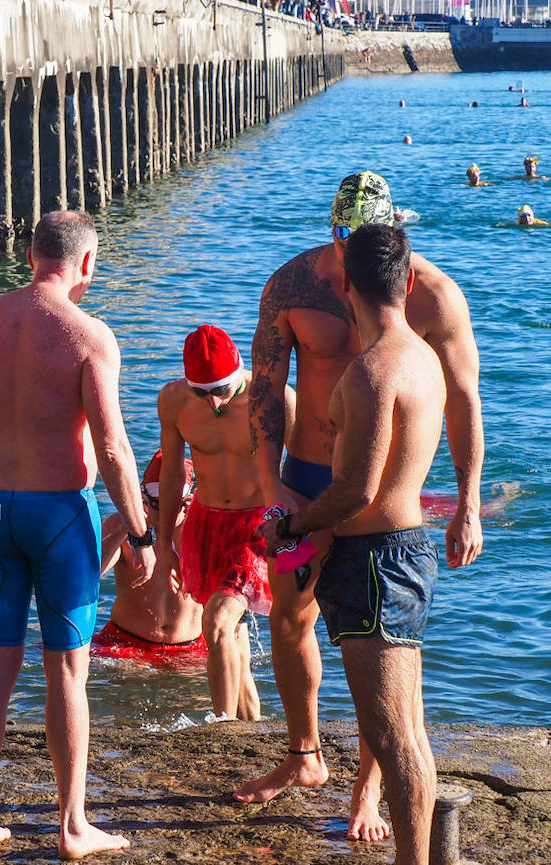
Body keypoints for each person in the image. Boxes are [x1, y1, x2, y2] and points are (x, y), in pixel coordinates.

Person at [241, 171, 484, 845]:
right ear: (331, 228)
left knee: (383, 658)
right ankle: (304, 754)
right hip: (308, 474)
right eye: (342, 234)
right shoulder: (293, 285)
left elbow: (463, 399)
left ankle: (370, 786)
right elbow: (264, 391)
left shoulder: (431, 294)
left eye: (365, 238)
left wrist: (468, 502)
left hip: (377, 494)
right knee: (291, 614)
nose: (349, 248)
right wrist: (273, 490)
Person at [0, 211, 144, 859]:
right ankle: (73, 825)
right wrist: (139, 530)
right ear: (86, 264)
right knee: (67, 671)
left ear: (29, 254)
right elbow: (111, 445)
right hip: (59, 517)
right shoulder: (89, 335)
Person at [259, 223, 445, 865]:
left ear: (347, 285)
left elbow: (354, 491)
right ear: (409, 281)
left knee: (394, 741)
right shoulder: (422, 355)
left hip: (375, 564)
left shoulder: (371, 373)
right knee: (409, 735)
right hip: (403, 552)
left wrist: (287, 527)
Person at [155, 325, 292, 721]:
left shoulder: (275, 399)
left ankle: (221, 728)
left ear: (239, 373)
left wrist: (303, 533)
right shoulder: (173, 400)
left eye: (221, 390)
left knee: (216, 622)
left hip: (258, 527)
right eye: (202, 392)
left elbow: (306, 470)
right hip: (205, 524)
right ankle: (253, 723)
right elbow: (171, 476)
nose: (213, 402)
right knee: (229, 634)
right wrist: (165, 545)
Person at [90, 451, 206, 667]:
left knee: (192, 701)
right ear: (144, 499)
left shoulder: (202, 533)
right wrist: (127, 525)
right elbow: (89, 573)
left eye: (176, 506)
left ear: (188, 501)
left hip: (190, 651)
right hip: (125, 646)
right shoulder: (121, 526)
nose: (167, 515)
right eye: (159, 506)